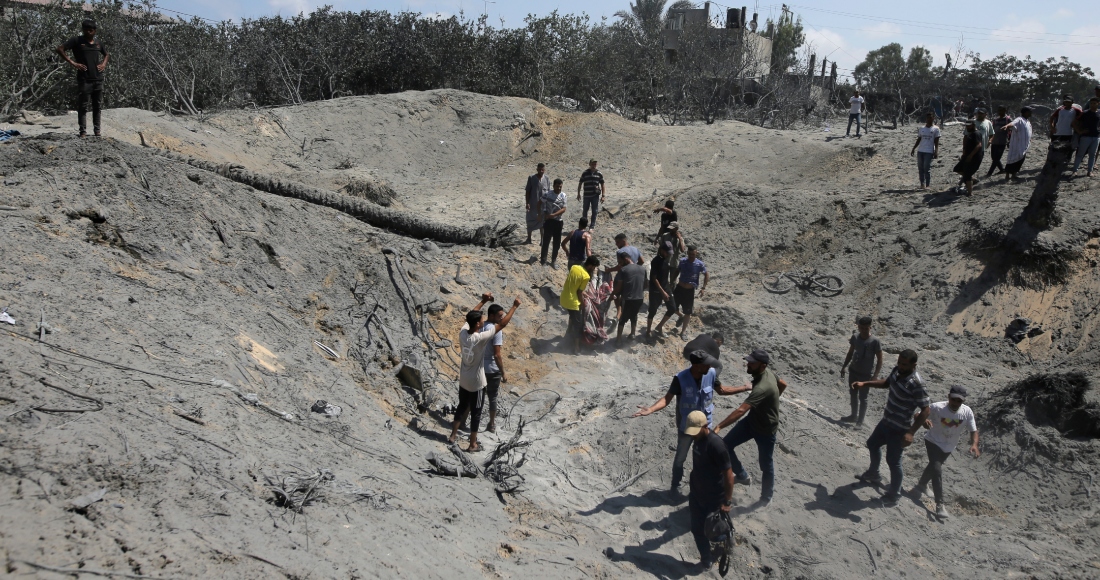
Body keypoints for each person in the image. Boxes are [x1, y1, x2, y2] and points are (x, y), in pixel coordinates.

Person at [631, 351, 745, 499]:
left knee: (706, 458)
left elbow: (721, 390)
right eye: (706, 364)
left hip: (705, 427)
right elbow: (667, 399)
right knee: (680, 458)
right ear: (697, 366)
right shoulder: (680, 379)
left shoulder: (710, 373)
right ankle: (675, 487)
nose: (710, 366)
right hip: (687, 428)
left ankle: (705, 487)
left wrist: (744, 387)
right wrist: (651, 409)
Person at [853, 350, 931, 504]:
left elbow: (926, 410)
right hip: (887, 421)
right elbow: (887, 383)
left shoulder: (916, 384)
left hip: (899, 428)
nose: (900, 366)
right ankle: (874, 473)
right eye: (899, 362)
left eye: (904, 364)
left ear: (913, 365)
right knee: (872, 444)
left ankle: (894, 495)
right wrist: (865, 383)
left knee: (893, 461)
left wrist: (911, 433)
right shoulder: (897, 371)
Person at [713, 349, 787, 506]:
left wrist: (719, 426)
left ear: (762, 365)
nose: (748, 364)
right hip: (751, 422)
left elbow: (741, 410)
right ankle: (742, 475)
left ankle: (766, 497)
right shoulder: (767, 373)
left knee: (766, 465)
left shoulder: (762, 388)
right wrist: (772, 400)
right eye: (749, 361)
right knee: (726, 445)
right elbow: (783, 384)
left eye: (752, 363)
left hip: (766, 430)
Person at [450, 293, 521, 451]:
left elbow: (470, 315)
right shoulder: (481, 338)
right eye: (481, 320)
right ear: (477, 324)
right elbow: (502, 325)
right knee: (477, 412)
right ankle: (473, 444)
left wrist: (483, 301)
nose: (483, 321)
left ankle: (453, 435)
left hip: (464, 379)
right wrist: (515, 306)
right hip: (477, 382)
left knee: (462, 406)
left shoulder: (463, 333)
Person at [910, 385, 979, 521]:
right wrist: (924, 421)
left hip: (949, 446)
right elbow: (918, 414)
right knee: (937, 469)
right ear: (949, 397)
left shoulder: (967, 412)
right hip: (933, 441)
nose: (955, 403)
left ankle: (922, 484)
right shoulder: (937, 407)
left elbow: (973, 430)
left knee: (934, 466)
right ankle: (940, 504)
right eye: (953, 399)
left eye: (959, 401)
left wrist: (974, 444)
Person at [685, 411, 734, 569]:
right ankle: (706, 558)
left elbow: (729, 475)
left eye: (695, 431)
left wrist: (727, 501)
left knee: (714, 531)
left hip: (714, 498)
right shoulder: (697, 439)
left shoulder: (716, 445)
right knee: (696, 529)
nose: (692, 435)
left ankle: (726, 538)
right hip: (696, 494)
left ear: (705, 426)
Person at [57, 20, 109, 138]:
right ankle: (83, 131)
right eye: (86, 30)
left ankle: (97, 131)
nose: (89, 32)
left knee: (97, 106)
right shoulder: (77, 40)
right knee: (83, 106)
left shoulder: (98, 43)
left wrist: (104, 64)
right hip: (84, 79)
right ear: (83, 30)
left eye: (91, 30)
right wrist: (73, 63)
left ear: (95, 31)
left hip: (98, 79)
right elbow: (60, 49)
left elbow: (106, 54)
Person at [839, 316, 884, 426]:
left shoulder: (875, 341)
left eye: (866, 328)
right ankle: (853, 416)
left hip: (865, 374)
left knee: (863, 398)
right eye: (861, 328)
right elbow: (850, 353)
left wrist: (875, 376)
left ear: (870, 328)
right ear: (858, 327)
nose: (864, 330)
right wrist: (844, 366)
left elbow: (880, 359)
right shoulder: (855, 337)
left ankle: (860, 421)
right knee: (853, 393)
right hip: (853, 371)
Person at [480, 304, 511, 434]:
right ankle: (492, 424)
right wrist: (503, 372)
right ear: (492, 315)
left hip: (480, 367)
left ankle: (464, 422)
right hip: (492, 369)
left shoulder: (480, 326)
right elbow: (497, 354)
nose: (502, 318)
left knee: (477, 397)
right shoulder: (495, 330)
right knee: (492, 397)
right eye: (499, 316)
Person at [560, 256, 600, 354]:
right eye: (594, 267)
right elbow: (579, 293)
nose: (594, 269)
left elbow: (574, 285)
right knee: (578, 324)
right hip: (572, 302)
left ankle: (568, 332)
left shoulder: (574, 267)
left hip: (564, 298)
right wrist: (582, 304)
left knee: (573, 316)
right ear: (590, 266)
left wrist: (584, 293)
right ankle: (576, 347)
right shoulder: (586, 276)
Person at [612, 252, 646, 346]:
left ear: (626, 259)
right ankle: (633, 334)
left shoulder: (623, 270)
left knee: (623, 318)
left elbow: (619, 286)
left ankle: (618, 340)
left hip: (628, 298)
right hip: (640, 298)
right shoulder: (642, 269)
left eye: (620, 262)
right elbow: (646, 284)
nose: (619, 264)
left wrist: (613, 294)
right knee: (634, 315)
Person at [674, 246, 708, 339]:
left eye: (693, 254)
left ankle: (683, 332)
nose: (691, 256)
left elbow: (706, 274)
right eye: (690, 254)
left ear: (696, 253)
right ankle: (680, 316)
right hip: (679, 288)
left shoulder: (699, 264)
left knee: (688, 312)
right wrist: (672, 280)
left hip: (689, 291)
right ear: (687, 253)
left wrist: (703, 288)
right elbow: (677, 270)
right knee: (672, 307)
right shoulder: (683, 261)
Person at [646, 241, 676, 340]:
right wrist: (662, 292)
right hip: (656, 289)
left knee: (672, 308)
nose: (669, 255)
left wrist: (668, 287)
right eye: (667, 252)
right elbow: (654, 278)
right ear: (662, 251)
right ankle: (648, 331)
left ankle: (659, 327)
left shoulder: (666, 260)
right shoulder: (656, 261)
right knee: (652, 310)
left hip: (666, 287)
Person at [540, 178, 567, 267]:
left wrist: (554, 215)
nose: (559, 188)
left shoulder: (563, 195)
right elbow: (540, 202)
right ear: (553, 186)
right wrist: (541, 214)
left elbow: (564, 208)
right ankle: (543, 260)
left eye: (560, 187)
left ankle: (553, 260)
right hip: (548, 221)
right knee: (546, 241)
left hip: (558, 222)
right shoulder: (548, 194)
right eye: (557, 186)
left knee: (557, 242)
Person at [1002, 107, 1034, 181]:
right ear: (1026, 112)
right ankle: (1007, 175)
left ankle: (1014, 175)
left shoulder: (1027, 121)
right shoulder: (1019, 119)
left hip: (1024, 145)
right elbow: (1013, 123)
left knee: (1020, 160)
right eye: (1030, 111)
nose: (1031, 113)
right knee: (1012, 159)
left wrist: (1029, 139)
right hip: (1017, 144)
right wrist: (1007, 126)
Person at [910, 112, 940, 190]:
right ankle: (922, 184)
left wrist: (936, 151)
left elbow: (936, 141)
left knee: (927, 168)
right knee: (920, 168)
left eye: (930, 118)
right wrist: (914, 148)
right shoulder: (922, 128)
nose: (929, 119)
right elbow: (919, 139)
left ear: (933, 118)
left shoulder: (936, 129)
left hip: (929, 151)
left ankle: (928, 185)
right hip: (920, 151)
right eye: (928, 118)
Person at [1071, 97, 1100, 178]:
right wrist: (1079, 131)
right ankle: (1075, 171)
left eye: (1094, 103)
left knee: (1092, 155)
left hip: (1096, 137)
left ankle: (1090, 171)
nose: (1092, 105)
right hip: (1086, 137)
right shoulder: (1085, 113)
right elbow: (1074, 123)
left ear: (1098, 104)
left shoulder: (1099, 112)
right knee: (1080, 154)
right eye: (1091, 103)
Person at [952, 120, 983, 195]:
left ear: (973, 125)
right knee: (957, 169)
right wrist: (964, 153)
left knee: (968, 174)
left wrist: (971, 155)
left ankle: (970, 193)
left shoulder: (976, 133)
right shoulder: (970, 133)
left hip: (974, 157)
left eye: (969, 125)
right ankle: (972, 180)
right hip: (967, 156)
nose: (967, 127)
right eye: (966, 125)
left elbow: (979, 145)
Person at [524, 163, 550, 245]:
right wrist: (527, 202)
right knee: (530, 220)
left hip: (543, 205)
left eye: (542, 170)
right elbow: (528, 191)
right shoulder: (531, 178)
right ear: (537, 169)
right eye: (539, 169)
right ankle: (529, 238)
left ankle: (542, 240)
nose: (541, 171)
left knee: (542, 222)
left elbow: (549, 192)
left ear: (544, 170)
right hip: (533, 204)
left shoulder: (547, 179)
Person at [577, 159, 605, 229]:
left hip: (595, 196)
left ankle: (592, 226)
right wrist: (578, 193)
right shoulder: (585, 173)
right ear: (589, 164)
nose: (594, 165)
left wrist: (603, 196)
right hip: (586, 195)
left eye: (595, 164)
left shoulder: (599, 173)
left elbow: (602, 184)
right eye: (592, 164)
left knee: (594, 211)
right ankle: (584, 226)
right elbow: (580, 183)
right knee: (585, 211)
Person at [986, 106, 1013, 177]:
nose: (1000, 112)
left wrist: (1010, 140)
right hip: (994, 141)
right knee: (993, 157)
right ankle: (1002, 169)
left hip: (1002, 142)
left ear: (1005, 110)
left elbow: (1012, 127)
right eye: (999, 110)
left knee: (996, 158)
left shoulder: (1008, 119)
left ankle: (989, 173)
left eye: (1002, 110)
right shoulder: (996, 120)